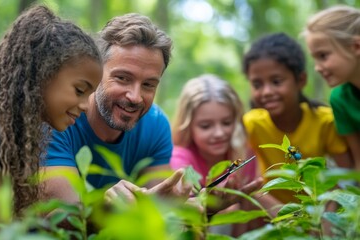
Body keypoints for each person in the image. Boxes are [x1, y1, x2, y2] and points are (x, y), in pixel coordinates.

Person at [42, 13, 262, 215]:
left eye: (148, 84)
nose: (135, 96)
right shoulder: (60, 117)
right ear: (96, 72)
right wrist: (109, 209)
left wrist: (205, 205)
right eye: (122, 78)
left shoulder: (155, 125)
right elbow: (63, 216)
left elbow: (161, 206)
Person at [0, 5, 102, 232]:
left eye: (91, 95)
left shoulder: (16, 134)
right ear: (42, 75)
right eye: (80, 90)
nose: (85, 106)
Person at [242, 32, 352, 204]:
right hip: (270, 210)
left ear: (301, 80)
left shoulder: (324, 121)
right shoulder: (252, 124)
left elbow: (345, 176)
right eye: (257, 84)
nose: (266, 92)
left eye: (276, 81)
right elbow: (245, 177)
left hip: (315, 208)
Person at [170, 74, 257, 236]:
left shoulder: (243, 154)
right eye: (205, 126)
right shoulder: (180, 159)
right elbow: (182, 215)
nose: (219, 133)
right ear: (189, 126)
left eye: (226, 123)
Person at [304, 5, 360, 172]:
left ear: (356, 46)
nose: (317, 68)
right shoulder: (339, 99)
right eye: (315, 59)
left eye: (323, 56)